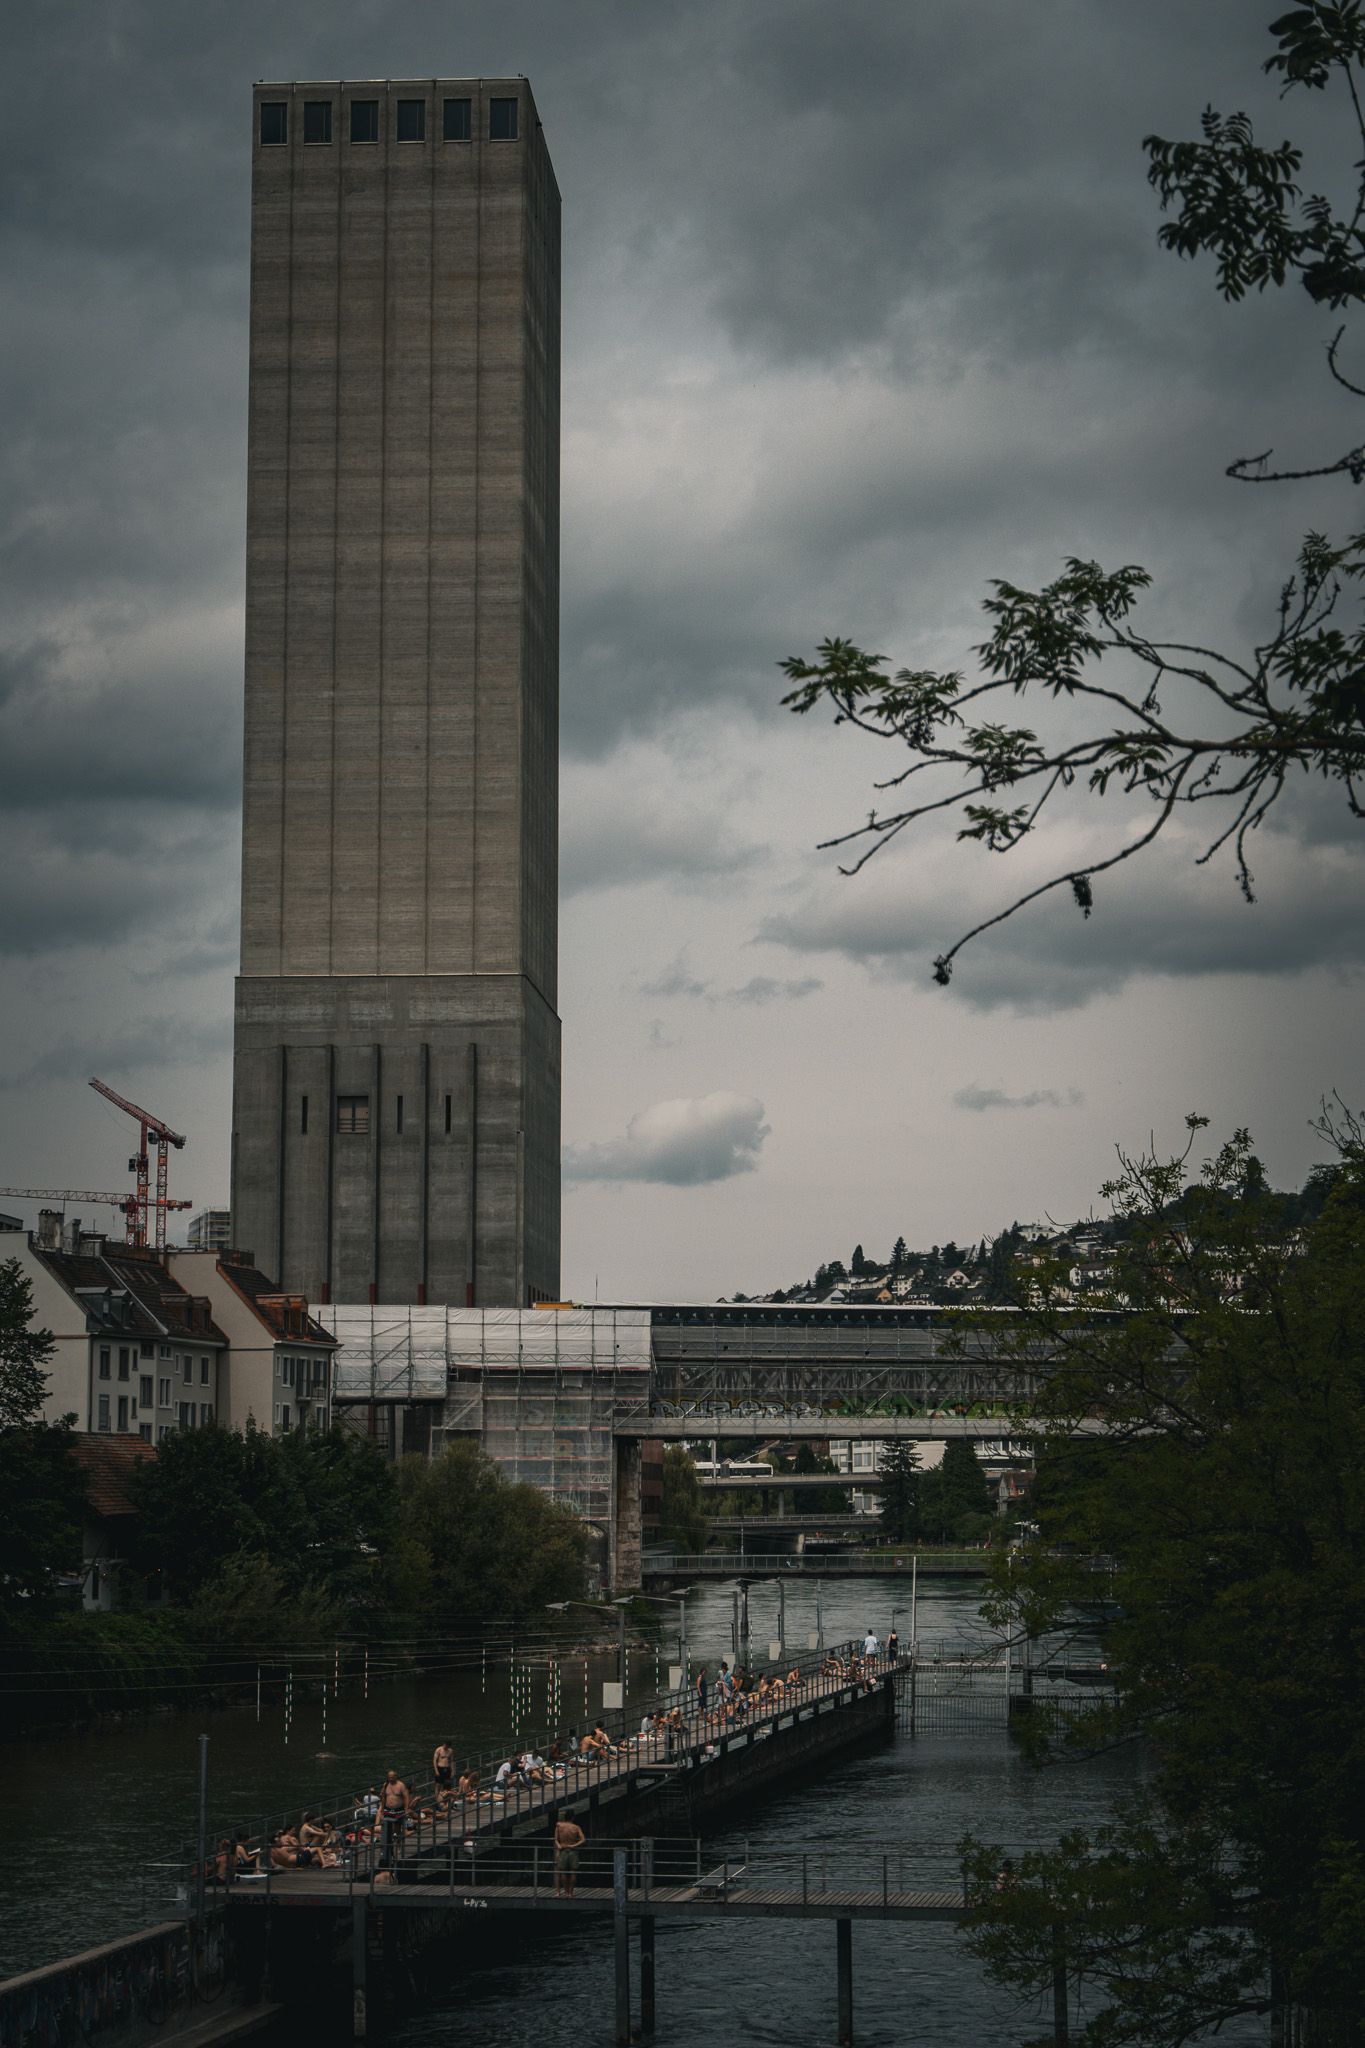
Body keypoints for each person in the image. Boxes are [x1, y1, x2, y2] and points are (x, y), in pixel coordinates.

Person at [554, 1815, 586, 1899]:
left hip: (563, 1849)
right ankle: (571, 1893)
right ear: (572, 1818)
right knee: (573, 1872)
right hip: (573, 1850)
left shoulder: (559, 1826)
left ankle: (566, 1892)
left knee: (563, 1872)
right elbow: (583, 1839)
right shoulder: (576, 1827)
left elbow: (556, 1839)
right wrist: (574, 1845)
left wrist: (558, 1846)